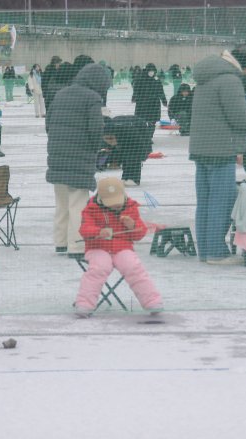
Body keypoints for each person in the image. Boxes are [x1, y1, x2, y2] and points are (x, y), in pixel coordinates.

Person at [190, 49, 246, 265]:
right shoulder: (230, 80)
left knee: (205, 202)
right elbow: (241, 119)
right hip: (221, 149)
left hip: (201, 148)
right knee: (221, 203)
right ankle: (216, 252)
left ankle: (205, 250)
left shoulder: (207, 76)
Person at [46, 63, 112, 258]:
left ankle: (61, 243)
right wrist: (94, 149)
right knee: (78, 204)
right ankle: (77, 246)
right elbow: (96, 128)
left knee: (62, 203)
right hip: (79, 158)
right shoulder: (93, 98)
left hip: (57, 156)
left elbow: (48, 123)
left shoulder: (61, 94)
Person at [73, 177, 163, 317]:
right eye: (111, 203)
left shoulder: (131, 207)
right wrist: (98, 232)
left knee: (133, 267)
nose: (115, 206)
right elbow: (84, 229)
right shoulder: (90, 209)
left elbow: (139, 234)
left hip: (122, 247)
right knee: (99, 268)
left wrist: (132, 226)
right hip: (98, 247)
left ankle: (152, 301)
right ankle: (84, 304)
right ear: (101, 198)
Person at [133, 63, 167, 140]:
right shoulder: (140, 79)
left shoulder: (156, 80)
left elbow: (161, 91)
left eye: (153, 71)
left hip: (154, 104)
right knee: (142, 120)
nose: (151, 73)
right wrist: (134, 97)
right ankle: (142, 136)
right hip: (142, 103)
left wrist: (164, 100)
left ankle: (149, 137)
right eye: (150, 71)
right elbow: (136, 90)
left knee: (152, 121)